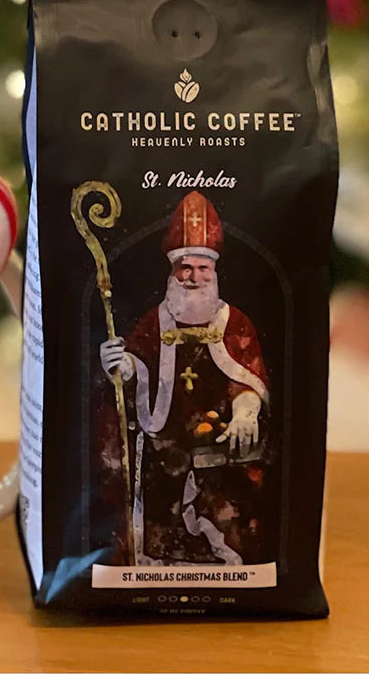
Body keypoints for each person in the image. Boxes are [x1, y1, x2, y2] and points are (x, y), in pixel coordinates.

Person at [99, 190, 270, 565]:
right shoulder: (155, 321)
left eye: (202, 268)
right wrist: (119, 364)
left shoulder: (235, 323)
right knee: (160, 481)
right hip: (167, 447)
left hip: (220, 442)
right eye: (185, 268)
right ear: (173, 272)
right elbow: (135, 368)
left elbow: (249, 380)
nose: (194, 277)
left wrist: (245, 414)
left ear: (214, 271)